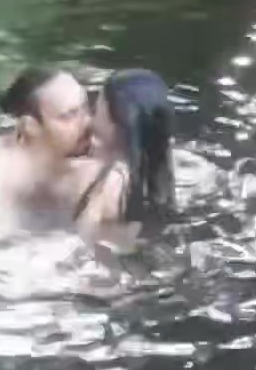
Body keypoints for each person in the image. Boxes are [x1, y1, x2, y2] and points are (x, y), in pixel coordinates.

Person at [59, 69, 176, 241]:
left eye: (97, 109)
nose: (90, 118)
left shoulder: (107, 186)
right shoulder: (161, 176)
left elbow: (81, 241)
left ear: (115, 124)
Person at [0, 65, 94, 230]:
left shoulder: (89, 156)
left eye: (85, 108)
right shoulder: (4, 176)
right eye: (68, 116)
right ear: (31, 127)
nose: (88, 122)